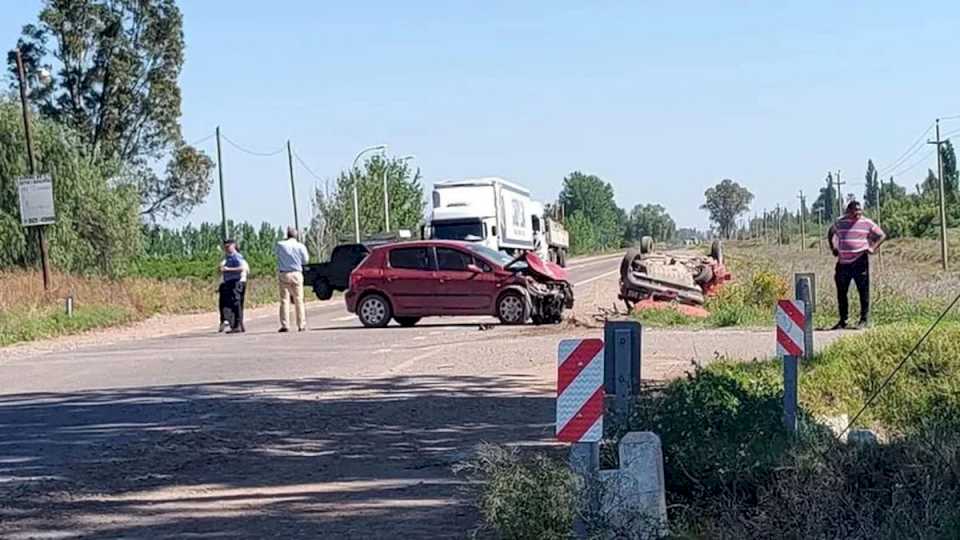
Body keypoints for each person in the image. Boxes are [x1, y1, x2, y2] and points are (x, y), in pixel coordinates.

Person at [827, 200, 886, 330]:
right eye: (854, 211)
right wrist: (833, 247)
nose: (857, 214)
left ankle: (864, 320)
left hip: (860, 261)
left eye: (859, 211)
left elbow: (881, 235)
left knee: (863, 291)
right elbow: (831, 232)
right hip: (843, 263)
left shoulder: (866, 223)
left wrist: (872, 248)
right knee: (841, 292)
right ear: (848, 211)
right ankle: (843, 320)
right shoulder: (840, 222)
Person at [275, 226, 310, 332]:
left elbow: (276, 254)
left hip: (284, 273)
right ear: (296, 235)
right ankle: (301, 324)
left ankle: (285, 324)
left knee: (284, 300)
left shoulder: (280, 245)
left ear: (287, 234)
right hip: (296, 273)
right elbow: (305, 260)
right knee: (299, 299)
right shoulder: (300, 246)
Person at [218, 239, 249, 334]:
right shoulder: (228, 257)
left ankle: (237, 325)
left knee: (236, 303)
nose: (226, 249)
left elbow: (242, 268)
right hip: (231, 282)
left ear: (234, 246)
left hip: (236, 282)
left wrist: (228, 269)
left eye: (228, 246)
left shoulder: (236, 256)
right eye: (225, 247)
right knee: (234, 304)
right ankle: (238, 325)